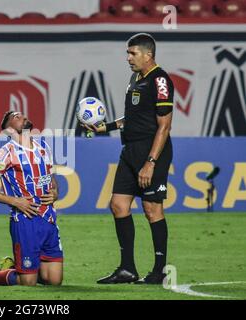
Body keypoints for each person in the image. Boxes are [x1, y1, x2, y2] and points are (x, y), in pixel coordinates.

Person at [84, 33, 174, 284]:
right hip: (130, 151)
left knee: (152, 209)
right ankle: (127, 269)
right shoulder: (136, 79)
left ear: (148, 54)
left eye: (133, 53)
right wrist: (106, 127)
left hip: (151, 152)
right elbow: (131, 117)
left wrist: (151, 162)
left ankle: (158, 271)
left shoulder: (161, 81)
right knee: (118, 205)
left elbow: (164, 126)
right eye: (128, 53)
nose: (128, 58)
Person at [0, 111, 63, 286]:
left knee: (54, 281)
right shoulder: (5, 153)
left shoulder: (43, 147)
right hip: (25, 221)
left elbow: (51, 179)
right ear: (8, 129)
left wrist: (55, 192)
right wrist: (16, 201)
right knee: (28, 283)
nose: (23, 117)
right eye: (16, 117)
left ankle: (20, 267)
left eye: (23, 115)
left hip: (48, 219)